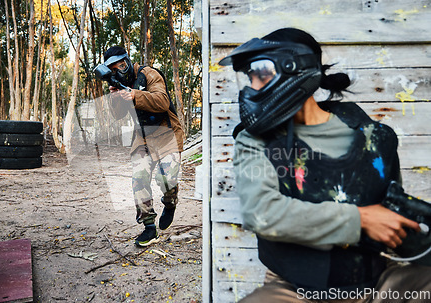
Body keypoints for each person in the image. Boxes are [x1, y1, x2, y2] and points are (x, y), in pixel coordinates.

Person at [219, 28, 431, 302]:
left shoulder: (375, 137)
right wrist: (361, 219)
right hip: (293, 288)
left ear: (295, 68)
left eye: (260, 75)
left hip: (375, 281)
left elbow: (389, 210)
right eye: (250, 78)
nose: (252, 88)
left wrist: (409, 235)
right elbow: (261, 212)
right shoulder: (253, 141)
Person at [102, 46, 184, 247]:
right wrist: (115, 96)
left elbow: (163, 102)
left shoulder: (149, 74)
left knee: (167, 179)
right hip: (143, 138)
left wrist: (134, 95)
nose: (119, 70)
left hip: (167, 134)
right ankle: (149, 227)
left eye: (121, 65)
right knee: (139, 179)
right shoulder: (119, 84)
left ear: (127, 61)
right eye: (113, 68)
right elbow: (118, 115)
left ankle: (170, 203)